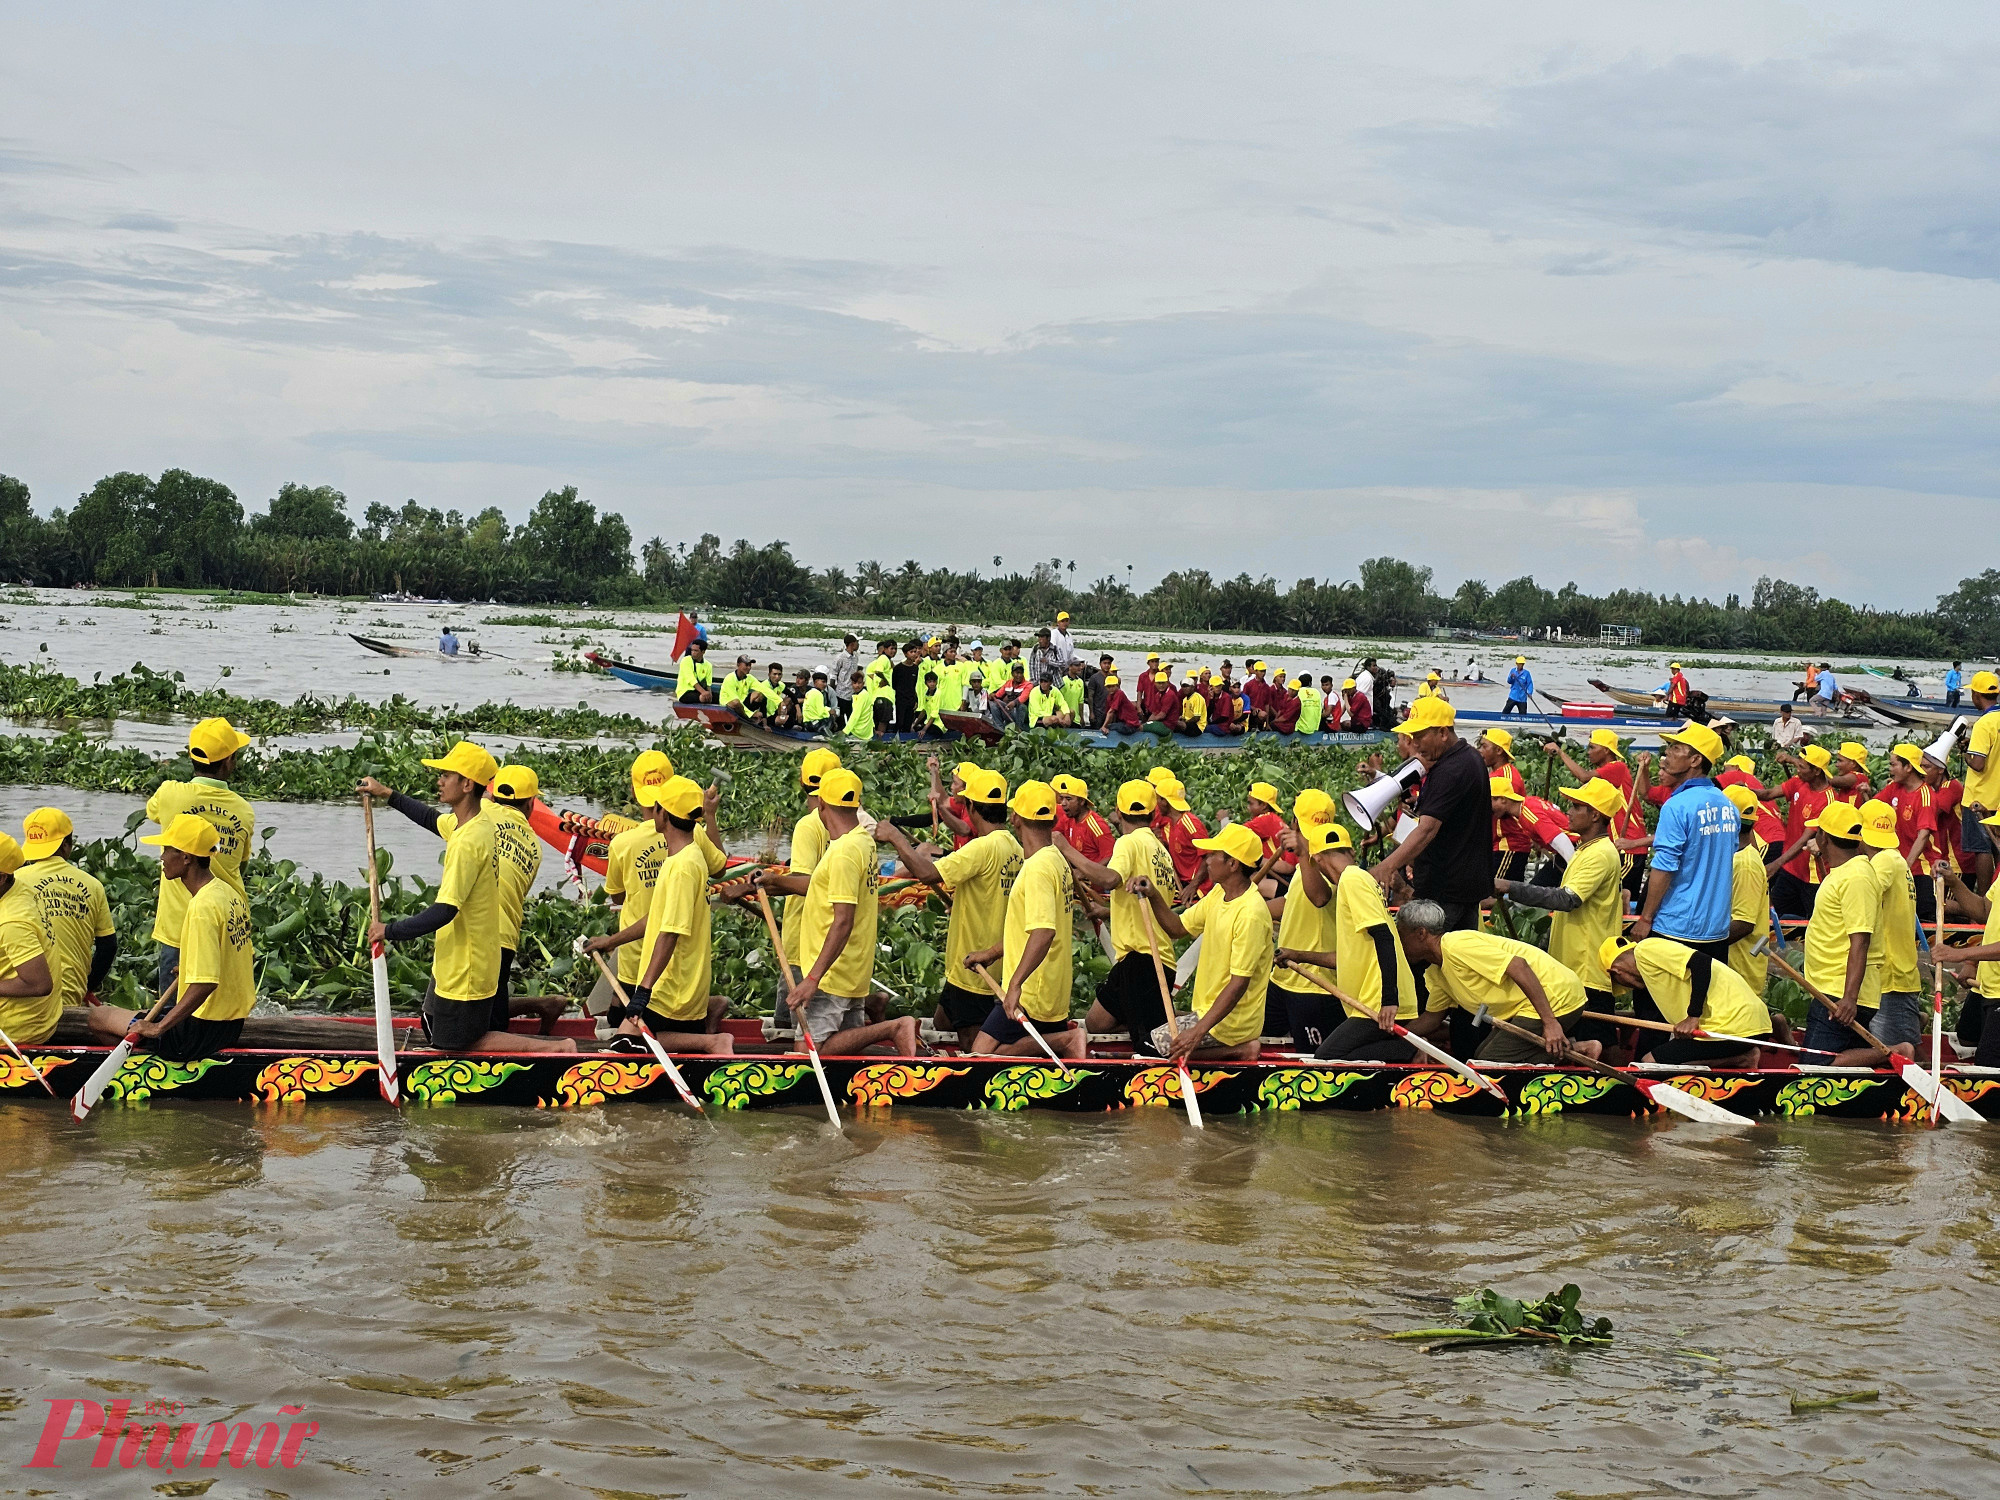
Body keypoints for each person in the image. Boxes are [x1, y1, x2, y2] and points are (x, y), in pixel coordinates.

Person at [366, 744, 573, 1054]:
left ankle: (555, 1049)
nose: (439, 780)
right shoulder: (515, 836)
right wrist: (387, 794)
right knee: (450, 1023)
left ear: (473, 787)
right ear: (531, 804)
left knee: (466, 1038)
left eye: (446, 775)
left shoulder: (476, 827)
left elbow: (446, 907)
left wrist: (391, 930)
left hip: (473, 949)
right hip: (490, 941)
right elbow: (437, 819)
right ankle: (541, 1008)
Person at [758, 768, 922, 1056]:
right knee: (846, 1051)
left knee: (807, 1053)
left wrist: (812, 979)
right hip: (851, 967)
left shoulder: (845, 852)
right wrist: (775, 881)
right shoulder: (862, 841)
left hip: (831, 972)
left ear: (821, 804)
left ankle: (893, 1028)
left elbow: (843, 920)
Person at [577, 774, 733, 1053]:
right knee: (627, 1034)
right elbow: (657, 918)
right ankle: (707, 1021)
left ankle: (713, 1042)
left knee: (625, 1043)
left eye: (656, 807)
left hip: (672, 985)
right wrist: (611, 941)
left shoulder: (683, 866)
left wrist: (643, 991)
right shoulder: (681, 855)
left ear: (663, 813)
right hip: (672, 981)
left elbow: (669, 933)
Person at [84, 814, 256, 1061]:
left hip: (199, 1030)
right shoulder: (227, 893)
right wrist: (187, 969)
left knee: (98, 1018)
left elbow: (206, 984)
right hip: (230, 1023)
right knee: (130, 1018)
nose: (162, 858)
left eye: (167, 850)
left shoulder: (202, 907)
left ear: (186, 858)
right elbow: (233, 958)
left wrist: (158, 1028)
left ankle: (149, 1066)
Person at [874, 767, 1019, 1049]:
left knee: (973, 1045)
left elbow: (927, 874)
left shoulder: (982, 847)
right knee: (942, 1022)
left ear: (973, 807)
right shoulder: (1013, 845)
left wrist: (896, 838)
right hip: (968, 963)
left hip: (974, 963)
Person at [1125, 822, 1273, 1062]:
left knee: (1147, 1046)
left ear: (1233, 864)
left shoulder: (1250, 913)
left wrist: (1197, 1031)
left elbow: (1238, 984)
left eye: (1214, 855)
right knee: (1147, 1034)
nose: (1206, 861)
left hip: (1232, 1022)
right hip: (1208, 1013)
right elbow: (1177, 928)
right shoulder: (1218, 893)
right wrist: (1153, 895)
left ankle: (1241, 1050)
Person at [1274, 823, 1418, 1062]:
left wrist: (1389, 1000)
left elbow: (1384, 936)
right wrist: (1298, 955)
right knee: (1337, 1054)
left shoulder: (1352, 880)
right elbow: (1345, 957)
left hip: (1378, 1000)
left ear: (1317, 859)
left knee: (1327, 1057)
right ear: (1350, 852)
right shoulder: (1352, 882)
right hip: (1371, 1000)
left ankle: (1409, 1054)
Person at [963, 782, 1084, 1059]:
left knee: (981, 1054)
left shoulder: (1038, 868)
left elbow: (1043, 932)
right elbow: (1026, 929)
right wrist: (991, 954)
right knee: (1011, 1053)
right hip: (1050, 989)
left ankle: (1067, 1040)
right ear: (1053, 820)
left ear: (1015, 818)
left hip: (1031, 990)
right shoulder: (1055, 859)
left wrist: (1015, 984)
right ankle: (1060, 1042)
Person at [1060, 779, 1182, 1054]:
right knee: (1096, 1023)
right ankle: (1151, 1024)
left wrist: (1068, 852)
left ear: (1117, 809)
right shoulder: (1160, 850)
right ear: (1153, 814)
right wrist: (1107, 910)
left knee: (1151, 1045)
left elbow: (1112, 878)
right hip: (1135, 960)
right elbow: (1142, 898)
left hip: (1145, 959)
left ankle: (1170, 1028)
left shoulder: (1128, 842)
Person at [1398, 900, 1599, 1061]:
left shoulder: (1456, 945)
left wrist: (1550, 1022)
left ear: (1421, 934)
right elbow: (1432, 1019)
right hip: (1529, 1007)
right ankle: (1574, 1048)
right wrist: (1393, 1034)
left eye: (1401, 935)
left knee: (1491, 1059)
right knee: (1481, 1055)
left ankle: (1577, 1049)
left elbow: (1518, 966)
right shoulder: (1437, 971)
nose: (1398, 943)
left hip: (1556, 996)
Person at [147, 717, 256, 1004]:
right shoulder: (243, 811)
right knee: (223, 1005)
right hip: (228, 924)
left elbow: (153, 812)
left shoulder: (171, 793)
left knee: (173, 1012)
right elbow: (240, 864)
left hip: (179, 928)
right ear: (229, 761)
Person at [1493, 779, 1626, 1010]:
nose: (1568, 812)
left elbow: (1566, 899)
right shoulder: (1587, 850)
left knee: (1594, 1040)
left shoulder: (1599, 854)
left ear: (1595, 816)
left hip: (1586, 967)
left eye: (1576, 807)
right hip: (1575, 966)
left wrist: (1510, 887)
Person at [1367, 699, 1491, 935]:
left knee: (1420, 956)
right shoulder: (1470, 757)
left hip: (1444, 890)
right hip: (1466, 886)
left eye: (1420, 736)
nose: (1414, 743)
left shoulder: (1449, 770)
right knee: (1457, 960)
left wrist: (1387, 866)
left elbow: (1427, 829)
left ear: (1443, 733)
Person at [1795, 800, 1902, 1066]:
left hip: (1839, 993)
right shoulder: (1845, 872)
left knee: (1814, 1068)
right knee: (1821, 1063)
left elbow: (1861, 940)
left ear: (1823, 837)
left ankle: (1896, 1052)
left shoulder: (1857, 877)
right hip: (1828, 988)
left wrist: (1849, 999)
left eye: (1817, 832)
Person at [1628, 723, 1738, 962]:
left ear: (1695, 760)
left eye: (1676, 749)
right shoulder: (1727, 804)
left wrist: (1646, 919)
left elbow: (1665, 867)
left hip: (1676, 926)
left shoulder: (1677, 805)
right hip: (1716, 930)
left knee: (1655, 998)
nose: (1666, 755)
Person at [1600, 936, 1772, 1067]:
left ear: (1617, 972)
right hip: (1749, 1024)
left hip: (1731, 1027)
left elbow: (1701, 962)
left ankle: (1743, 1059)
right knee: (1667, 1058)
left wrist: (1692, 1016)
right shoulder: (1653, 971)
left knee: (1650, 1062)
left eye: (1621, 984)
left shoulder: (1645, 950)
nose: (1631, 987)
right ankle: (1742, 1057)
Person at [17, 807, 114, 1011]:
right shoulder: (93, 885)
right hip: (72, 998)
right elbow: (107, 947)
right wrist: (86, 987)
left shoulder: (14, 882)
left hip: (21, 1001)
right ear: (66, 846)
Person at [1266, 817, 1343, 1050]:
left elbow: (1319, 898)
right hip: (1283, 979)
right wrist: (1247, 909)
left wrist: (1302, 853)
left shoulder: (1327, 861)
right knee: (1261, 1038)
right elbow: (1290, 903)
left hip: (1314, 985)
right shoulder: (1304, 866)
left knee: (1313, 1059)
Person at [0, 833, 59, 1048]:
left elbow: (40, 985)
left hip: (16, 1030)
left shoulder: (12, 923)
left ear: (1, 878)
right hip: (39, 1016)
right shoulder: (19, 887)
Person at [1765, 743, 1835, 917]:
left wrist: (1776, 864)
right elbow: (1768, 794)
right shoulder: (1799, 781)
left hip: (1812, 875)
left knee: (1811, 921)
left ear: (1817, 771)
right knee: (1779, 914)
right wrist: (1745, 791)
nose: (1798, 770)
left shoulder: (1827, 800)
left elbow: (1805, 839)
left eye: (1802, 767)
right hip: (1790, 868)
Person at [1719, 785, 1772, 1001]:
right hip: (1730, 970)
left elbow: (1743, 923)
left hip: (1739, 972)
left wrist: (1701, 946)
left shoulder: (1745, 864)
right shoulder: (1734, 855)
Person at [1961, 670, 2000, 890]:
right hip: (1998, 799)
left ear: (1977, 695)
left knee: (1982, 848)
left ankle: (1984, 901)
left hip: (1979, 797)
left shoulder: (1984, 723)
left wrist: (1967, 754)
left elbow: (1978, 764)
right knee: (1997, 848)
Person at [1155, 778, 1210, 889]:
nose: (1156, 804)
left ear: (1164, 801)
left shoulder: (1191, 823)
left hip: (1198, 887)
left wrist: (1193, 886)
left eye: (1158, 800)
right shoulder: (1168, 825)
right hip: (1182, 884)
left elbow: (1208, 856)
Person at [1051, 775, 1115, 863]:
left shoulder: (1096, 825)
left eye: (1068, 799)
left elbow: (1111, 856)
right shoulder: (1067, 819)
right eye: (1062, 798)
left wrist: (1086, 873)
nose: (1063, 803)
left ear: (1081, 801)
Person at [830, 635, 863, 719]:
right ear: (852, 644)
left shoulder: (856, 657)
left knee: (851, 716)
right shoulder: (840, 658)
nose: (858, 645)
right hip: (841, 693)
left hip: (852, 692)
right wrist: (832, 692)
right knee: (840, 716)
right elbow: (833, 674)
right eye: (857, 642)